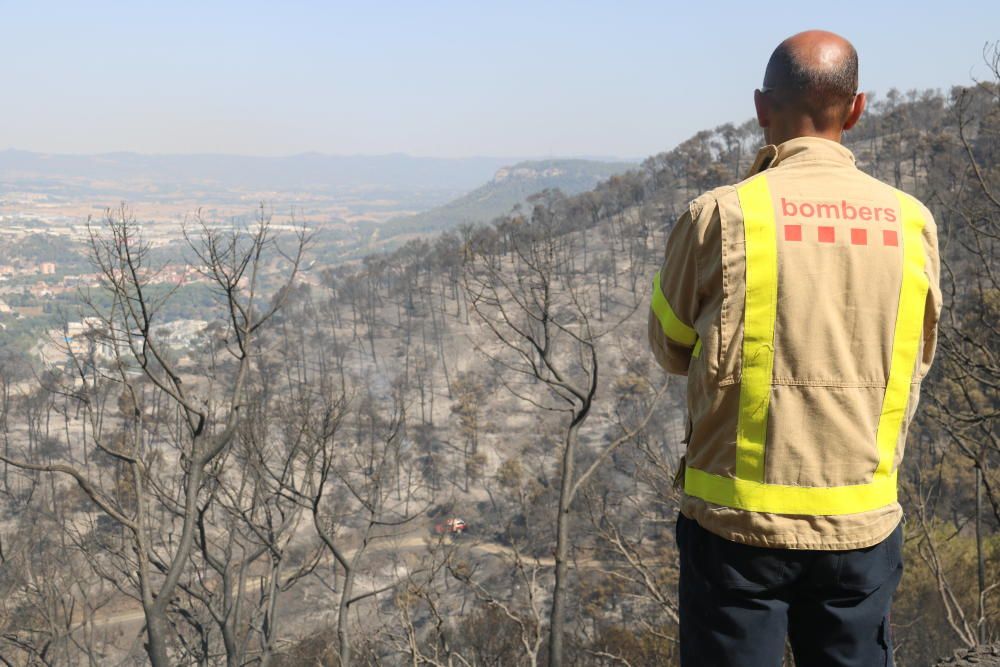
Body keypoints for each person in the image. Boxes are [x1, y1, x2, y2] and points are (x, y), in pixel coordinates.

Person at [648, 30, 942, 666]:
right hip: (861, 522)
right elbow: (918, 357)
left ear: (761, 108)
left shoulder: (721, 216)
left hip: (737, 526)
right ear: (856, 108)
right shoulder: (911, 222)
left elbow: (670, 348)